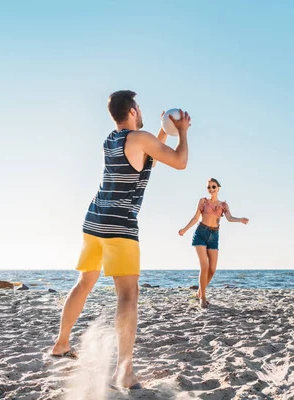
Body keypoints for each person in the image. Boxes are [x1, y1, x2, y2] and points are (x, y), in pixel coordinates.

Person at [50, 90, 192, 389]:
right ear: (131, 111)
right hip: (119, 225)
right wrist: (181, 132)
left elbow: (148, 157)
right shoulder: (139, 139)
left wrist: (162, 133)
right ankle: (124, 372)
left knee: (85, 282)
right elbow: (180, 162)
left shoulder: (112, 140)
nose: (140, 111)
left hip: (94, 220)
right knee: (128, 295)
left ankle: (61, 344)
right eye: (138, 107)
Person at [179, 178, 249, 308]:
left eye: (213, 187)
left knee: (212, 269)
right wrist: (185, 229)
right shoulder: (203, 202)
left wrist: (240, 220)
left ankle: (199, 292)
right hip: (201, 233)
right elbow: (195, 218)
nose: (211, 189)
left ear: (218, 188)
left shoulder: (223, 205)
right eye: (209, 187)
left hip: (214, 235)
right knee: (204, 266)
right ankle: (203, 298)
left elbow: (229, 218)